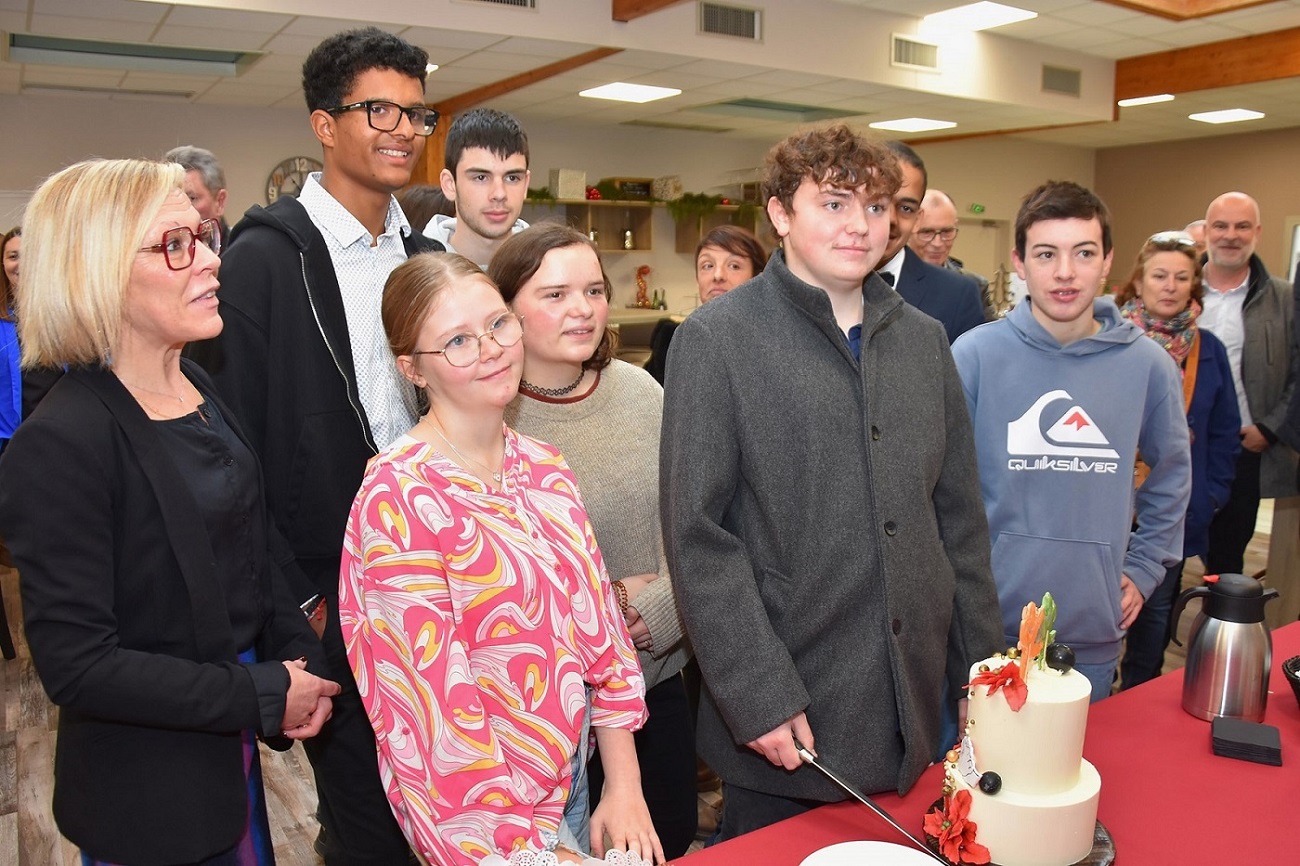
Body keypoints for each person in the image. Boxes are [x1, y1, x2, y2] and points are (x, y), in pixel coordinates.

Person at [660, 124, 1002, 839]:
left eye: (878, 209)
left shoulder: (924, 340)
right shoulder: (717, 341)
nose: (861, 227)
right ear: (781, 213)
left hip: (915, 705)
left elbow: (959, 522)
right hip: (790, 713)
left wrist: (981, 671)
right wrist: (757, 693)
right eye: (836, 204)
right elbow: (699, 538)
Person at [0, 158, 339, 865]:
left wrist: (295, 651)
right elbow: (80, 666)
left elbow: (249, 545)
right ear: (98, 272)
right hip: (151, 796)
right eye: (175, 245)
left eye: (205, 236)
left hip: (227, 763)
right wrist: (261, 690)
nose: (212, 262)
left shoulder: (198, 388)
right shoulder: (60, 443)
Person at [187, 27, 443, 864]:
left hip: (437, 578)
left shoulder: (423, 259)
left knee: (448, 800)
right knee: (367, 817)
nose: (402, 129)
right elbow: (236, 456)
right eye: (379, 109)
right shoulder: (264, 262)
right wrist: (297, 602)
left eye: (414, 111)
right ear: (324, 125)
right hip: (331, 589)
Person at [340, 251, 662, 866]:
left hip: (568, 778)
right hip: (478, 825)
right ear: (412, 368)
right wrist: (532, 852)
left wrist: (624, 784)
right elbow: (432, 724)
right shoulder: (398, 498)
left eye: (497, 324)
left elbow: (601, 636)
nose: (490, 349)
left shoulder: (543, 466)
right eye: (457, 341)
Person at [491, 224, 696, 858]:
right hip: (547, 709)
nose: (582, 308)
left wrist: (654, 609)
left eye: (593, 290)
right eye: (555, 294)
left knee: (667, 838)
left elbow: (691, 521)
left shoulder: (642, 392)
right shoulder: (489, 414)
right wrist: (606, 606)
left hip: (657, 675)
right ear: (506, 309)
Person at [951, 181, 1192, 702]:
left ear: (1107, 262)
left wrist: (1146, 567)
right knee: (979, 777)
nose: (1065, 272)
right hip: (986, 627)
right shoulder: (973, 356)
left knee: (1079, 777)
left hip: (1092, 626)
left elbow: (1172, 474)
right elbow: (938, 488)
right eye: (1046, 254)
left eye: (1083, 253)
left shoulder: (1147, 365)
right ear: (1019, 262)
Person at [1111, 231, 1240, 688]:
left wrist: (1211, 493)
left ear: (1193, 285)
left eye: (1181, 277)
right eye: (1159, 275)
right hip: (1108, 503)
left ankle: (1137, 697)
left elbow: (1225, 432)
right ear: (1138, 281)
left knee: (1155, 614)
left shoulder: (1210, 351)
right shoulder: (1110, 342)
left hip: (1170, 510)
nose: (1169, 286)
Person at [1197, 192, 1297, 576]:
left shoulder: (1285, 299)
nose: (1230, 236)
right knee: (1163, 558)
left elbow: (1297, 374)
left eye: (1242, 226)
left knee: (1226, 558)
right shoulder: (1178, 290)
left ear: (1257, 232)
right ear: (1206, 232)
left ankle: (1221, 633)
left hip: (1242, 448)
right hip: (1180, 448)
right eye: (1221, 226)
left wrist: (1270, 428)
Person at [876, 141, 986, 344]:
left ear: (917, 218)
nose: (891, 219)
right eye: (877, 204)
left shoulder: (956, 295)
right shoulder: (814, 282)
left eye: (905, 208)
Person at [644, 224, 766, 384]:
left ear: (757, 278)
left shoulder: (772, 346)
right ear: (697, 280)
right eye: (707, 266)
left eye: (734, 266)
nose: (718, 275)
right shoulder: (672, 343)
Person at [425, 107, 530, 267]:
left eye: (512, 178)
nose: (499, 194)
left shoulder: (549, 271)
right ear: (450, 184)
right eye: (481, 177)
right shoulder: (413, 273)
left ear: (526, 184)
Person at [909, 189, 995, 319]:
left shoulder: (975, 287)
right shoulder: (885, 281)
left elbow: (988, 337)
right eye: (926, 232)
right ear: (909, 230)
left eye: (946, 232)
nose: (937, 243)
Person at [164, 144, 231, 239]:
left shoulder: (243, 251)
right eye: (167, 199)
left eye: (191, 198)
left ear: (220, 202)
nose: (176, 211)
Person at [1, 227, 20, 450]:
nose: (20, 264)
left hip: (60, 438)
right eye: (13, 256)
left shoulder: (65, 318)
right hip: (9, 443)